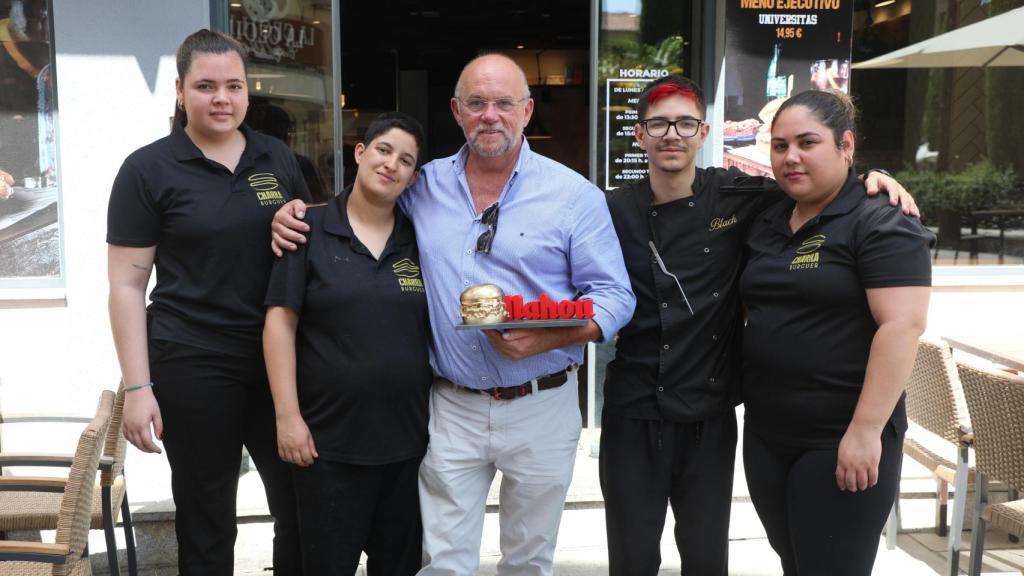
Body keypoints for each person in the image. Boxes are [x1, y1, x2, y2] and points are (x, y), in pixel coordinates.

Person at [272, 53, 636, 576]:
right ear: (456, 111)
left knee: (528, 561)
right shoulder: (422, 184)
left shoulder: (574, 195)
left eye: (504, 103)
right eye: (477, 103)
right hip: (451, 407)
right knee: (442, 562)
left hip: (542, 402)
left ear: (527, 111)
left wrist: (547, 339)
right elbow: (364, 207)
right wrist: (297, 214)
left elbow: (615, 296)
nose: (490, 115)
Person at [602, 75, 918, 575]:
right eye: (658, 124)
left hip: (719, 410)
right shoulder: (611, 209)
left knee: (710, 557)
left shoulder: (743, 196)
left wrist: (875, 177)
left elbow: (900, 321)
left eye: (685, 123)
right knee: (634, 557)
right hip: (656, 409)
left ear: (704, 132)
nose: (672, 134)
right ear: (638, 134)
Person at [107, 29, 307, 575]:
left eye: (234, 86)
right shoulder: (148, 169)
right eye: (206, 86)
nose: (222, 98)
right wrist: (138, 388)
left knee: (300, 506)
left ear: (247, 90)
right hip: (191, 361)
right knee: (207, 518)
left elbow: (308, 250)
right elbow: (126, 286)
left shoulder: (276, 158)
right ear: (180, 90)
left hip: (277, 361)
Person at [739, 89, 932, 575]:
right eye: (780, 146)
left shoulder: (881, 219)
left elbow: (902, 325)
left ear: (846, 144)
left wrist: (865, 431)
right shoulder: (768, 215)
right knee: (794, 563)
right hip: (767, 434)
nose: (791, 157)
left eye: (807, 143)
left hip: (840, 437)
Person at [263, 111, 430, 576]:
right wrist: (287, 418)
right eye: (383, 150)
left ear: (413, 178)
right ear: (360, 152)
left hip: (407, 447)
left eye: (405, 160)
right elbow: (279, 325)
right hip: (326, 448)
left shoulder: (420, 240)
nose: (391, 164)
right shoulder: (308, 229)